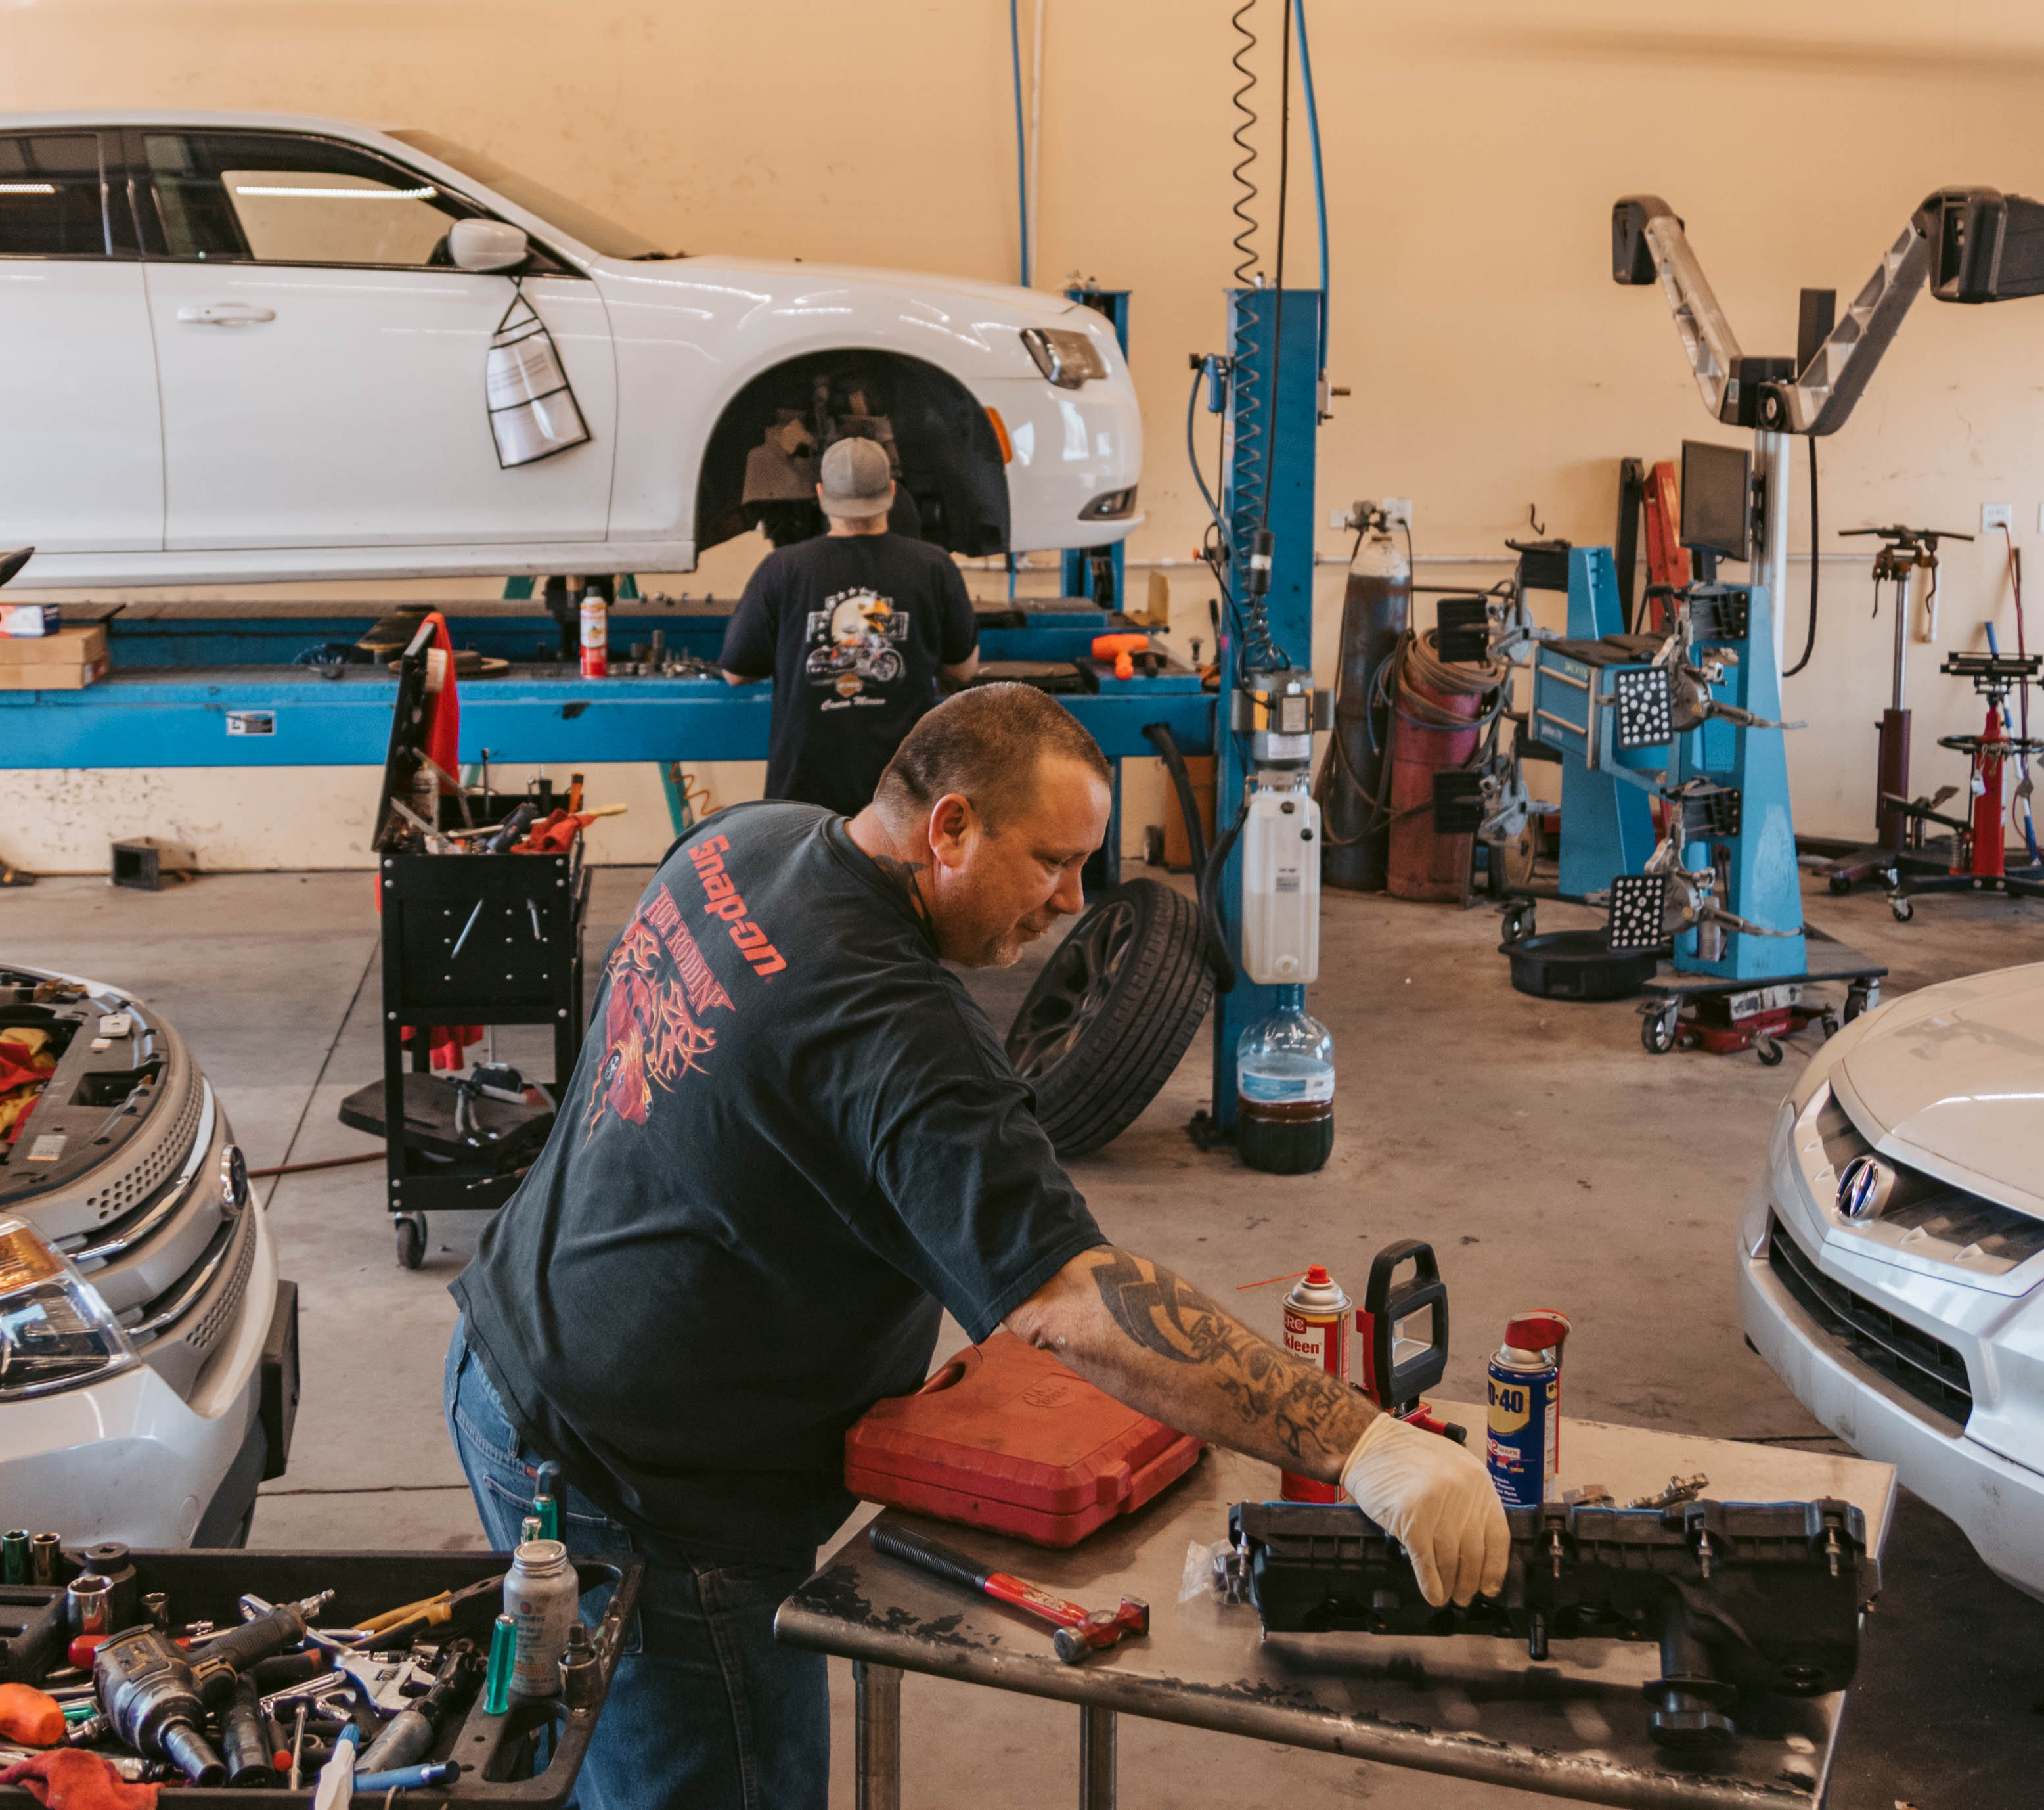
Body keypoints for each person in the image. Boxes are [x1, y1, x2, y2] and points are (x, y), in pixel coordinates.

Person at [449, 685, 1506, 1810]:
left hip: (500, 1364)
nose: (1072, 899)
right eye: (1052, 860)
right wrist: (1361, 1443)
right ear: (948, 826)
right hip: (647, 1491)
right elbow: (1069, 1299)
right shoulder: (900, 1037)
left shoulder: (744, 840)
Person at [715, 435, 981, 815]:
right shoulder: (934, 566)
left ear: (821, 494)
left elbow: (735, 673)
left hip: (802, 804)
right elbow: (963, 669)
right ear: (891, 492)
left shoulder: (782, 569)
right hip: (901, 799)